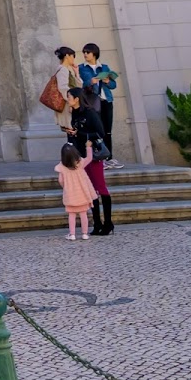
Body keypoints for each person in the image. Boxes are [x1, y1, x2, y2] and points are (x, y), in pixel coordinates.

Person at [66, 86, 113, 234]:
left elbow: (100, 133)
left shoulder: (90, 113)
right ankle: (97, 223)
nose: (67, 100)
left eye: (69, 97)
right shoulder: (74, 113)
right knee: (90, 190)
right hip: (80, 157)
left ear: (76, 99)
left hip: (93, 156)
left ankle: (108, 223)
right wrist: (72, 134)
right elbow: (78, 134)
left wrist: (79, 133)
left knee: (101, 187)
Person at [79, 44, 120, 166]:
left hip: (106, 101)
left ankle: (109, 157)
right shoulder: (81, 68)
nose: (86, 55)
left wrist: (108, 81)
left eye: (88, 52)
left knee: (108, 131)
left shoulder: (104, 67)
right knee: (97, 130)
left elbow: (113, 86)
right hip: (92, 103)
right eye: (84, 52)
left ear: (94, 54)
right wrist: (89, 82)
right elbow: (80, 85)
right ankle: (98, 157)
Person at [56, 141, 97, 240]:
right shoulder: (80, 163)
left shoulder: (61, 167)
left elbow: (60, 180)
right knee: (83, 214)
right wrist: (88, 147)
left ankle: (72, 234)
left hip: (70, 194)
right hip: (82, 193)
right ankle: (85, 233)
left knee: (72, 215)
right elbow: (89, 158)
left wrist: (65, 187)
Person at [50, 47, 81, 131]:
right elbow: (63, 88)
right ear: (67, 56)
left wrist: (76, 73)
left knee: (73, 133)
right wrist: (71, 102)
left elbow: (78, 87)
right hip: (68, 106)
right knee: (72, 133)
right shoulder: (63, 70)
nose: (73, 59)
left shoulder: (65, 69)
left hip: (70, 104)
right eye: (73, 56)